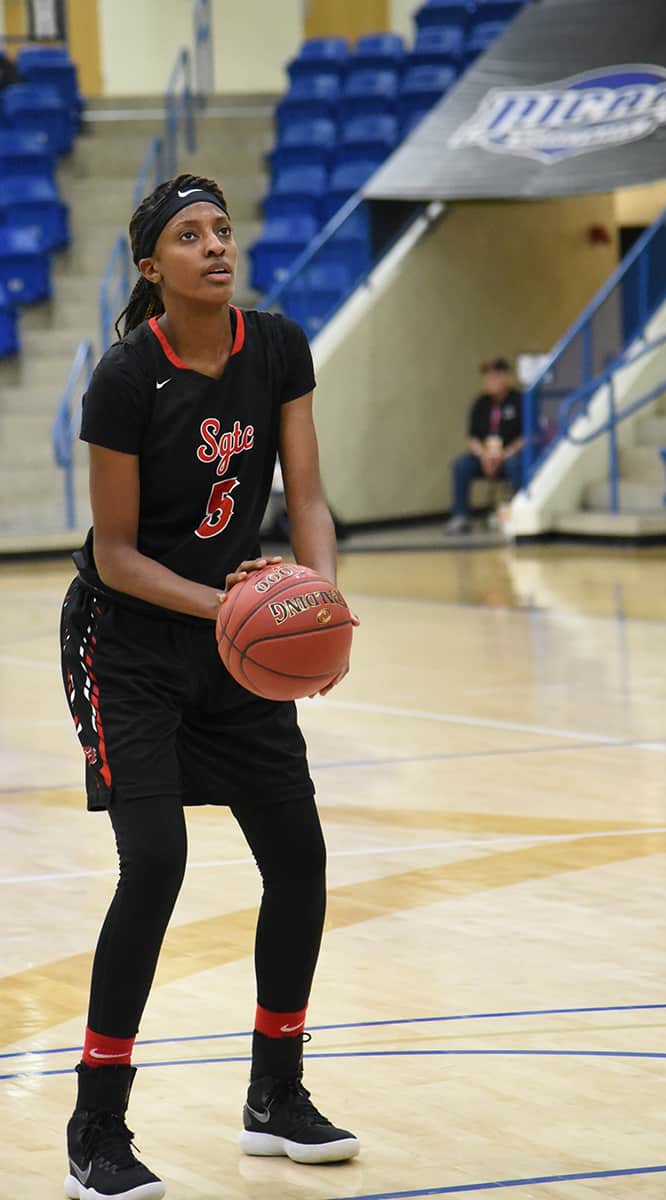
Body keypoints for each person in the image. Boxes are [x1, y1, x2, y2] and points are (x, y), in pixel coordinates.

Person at [58, 173, 360, 1200]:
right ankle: (97, 1125)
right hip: (128, 644)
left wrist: (314, 605)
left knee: (301, 862)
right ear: (152, 266)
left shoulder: (274, 346)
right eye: (189, 236)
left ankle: (275, 1094)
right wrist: (235, 608)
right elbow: (115, 554)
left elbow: (308, 496)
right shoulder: (123, 380)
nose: (216, 246)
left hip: (232, 643)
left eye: (223, 229)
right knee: (156, 864)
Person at [445, 357, 525, 535]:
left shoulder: (519, 401)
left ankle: (518, 513)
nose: (489, 381)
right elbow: (472, 438)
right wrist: (483, 456)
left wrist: (504, 454)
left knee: (515, 465)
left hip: (509, 455)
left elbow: (526, 436)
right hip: (484, 457)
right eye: (486, 377)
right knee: (461, 465)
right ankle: (461, 516)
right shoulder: (480, 404)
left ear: (505, 377)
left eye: (494, 377)